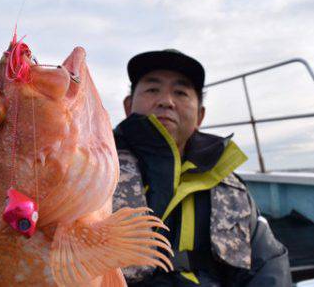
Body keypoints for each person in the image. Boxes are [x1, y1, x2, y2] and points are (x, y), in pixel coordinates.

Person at [112, 49, 292, 286]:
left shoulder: (231, 186)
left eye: (181, 92)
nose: (166, 101)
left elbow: (268, 267)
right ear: (128, 105)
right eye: (152, 89)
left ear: (200, 115)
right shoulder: (91, 174)